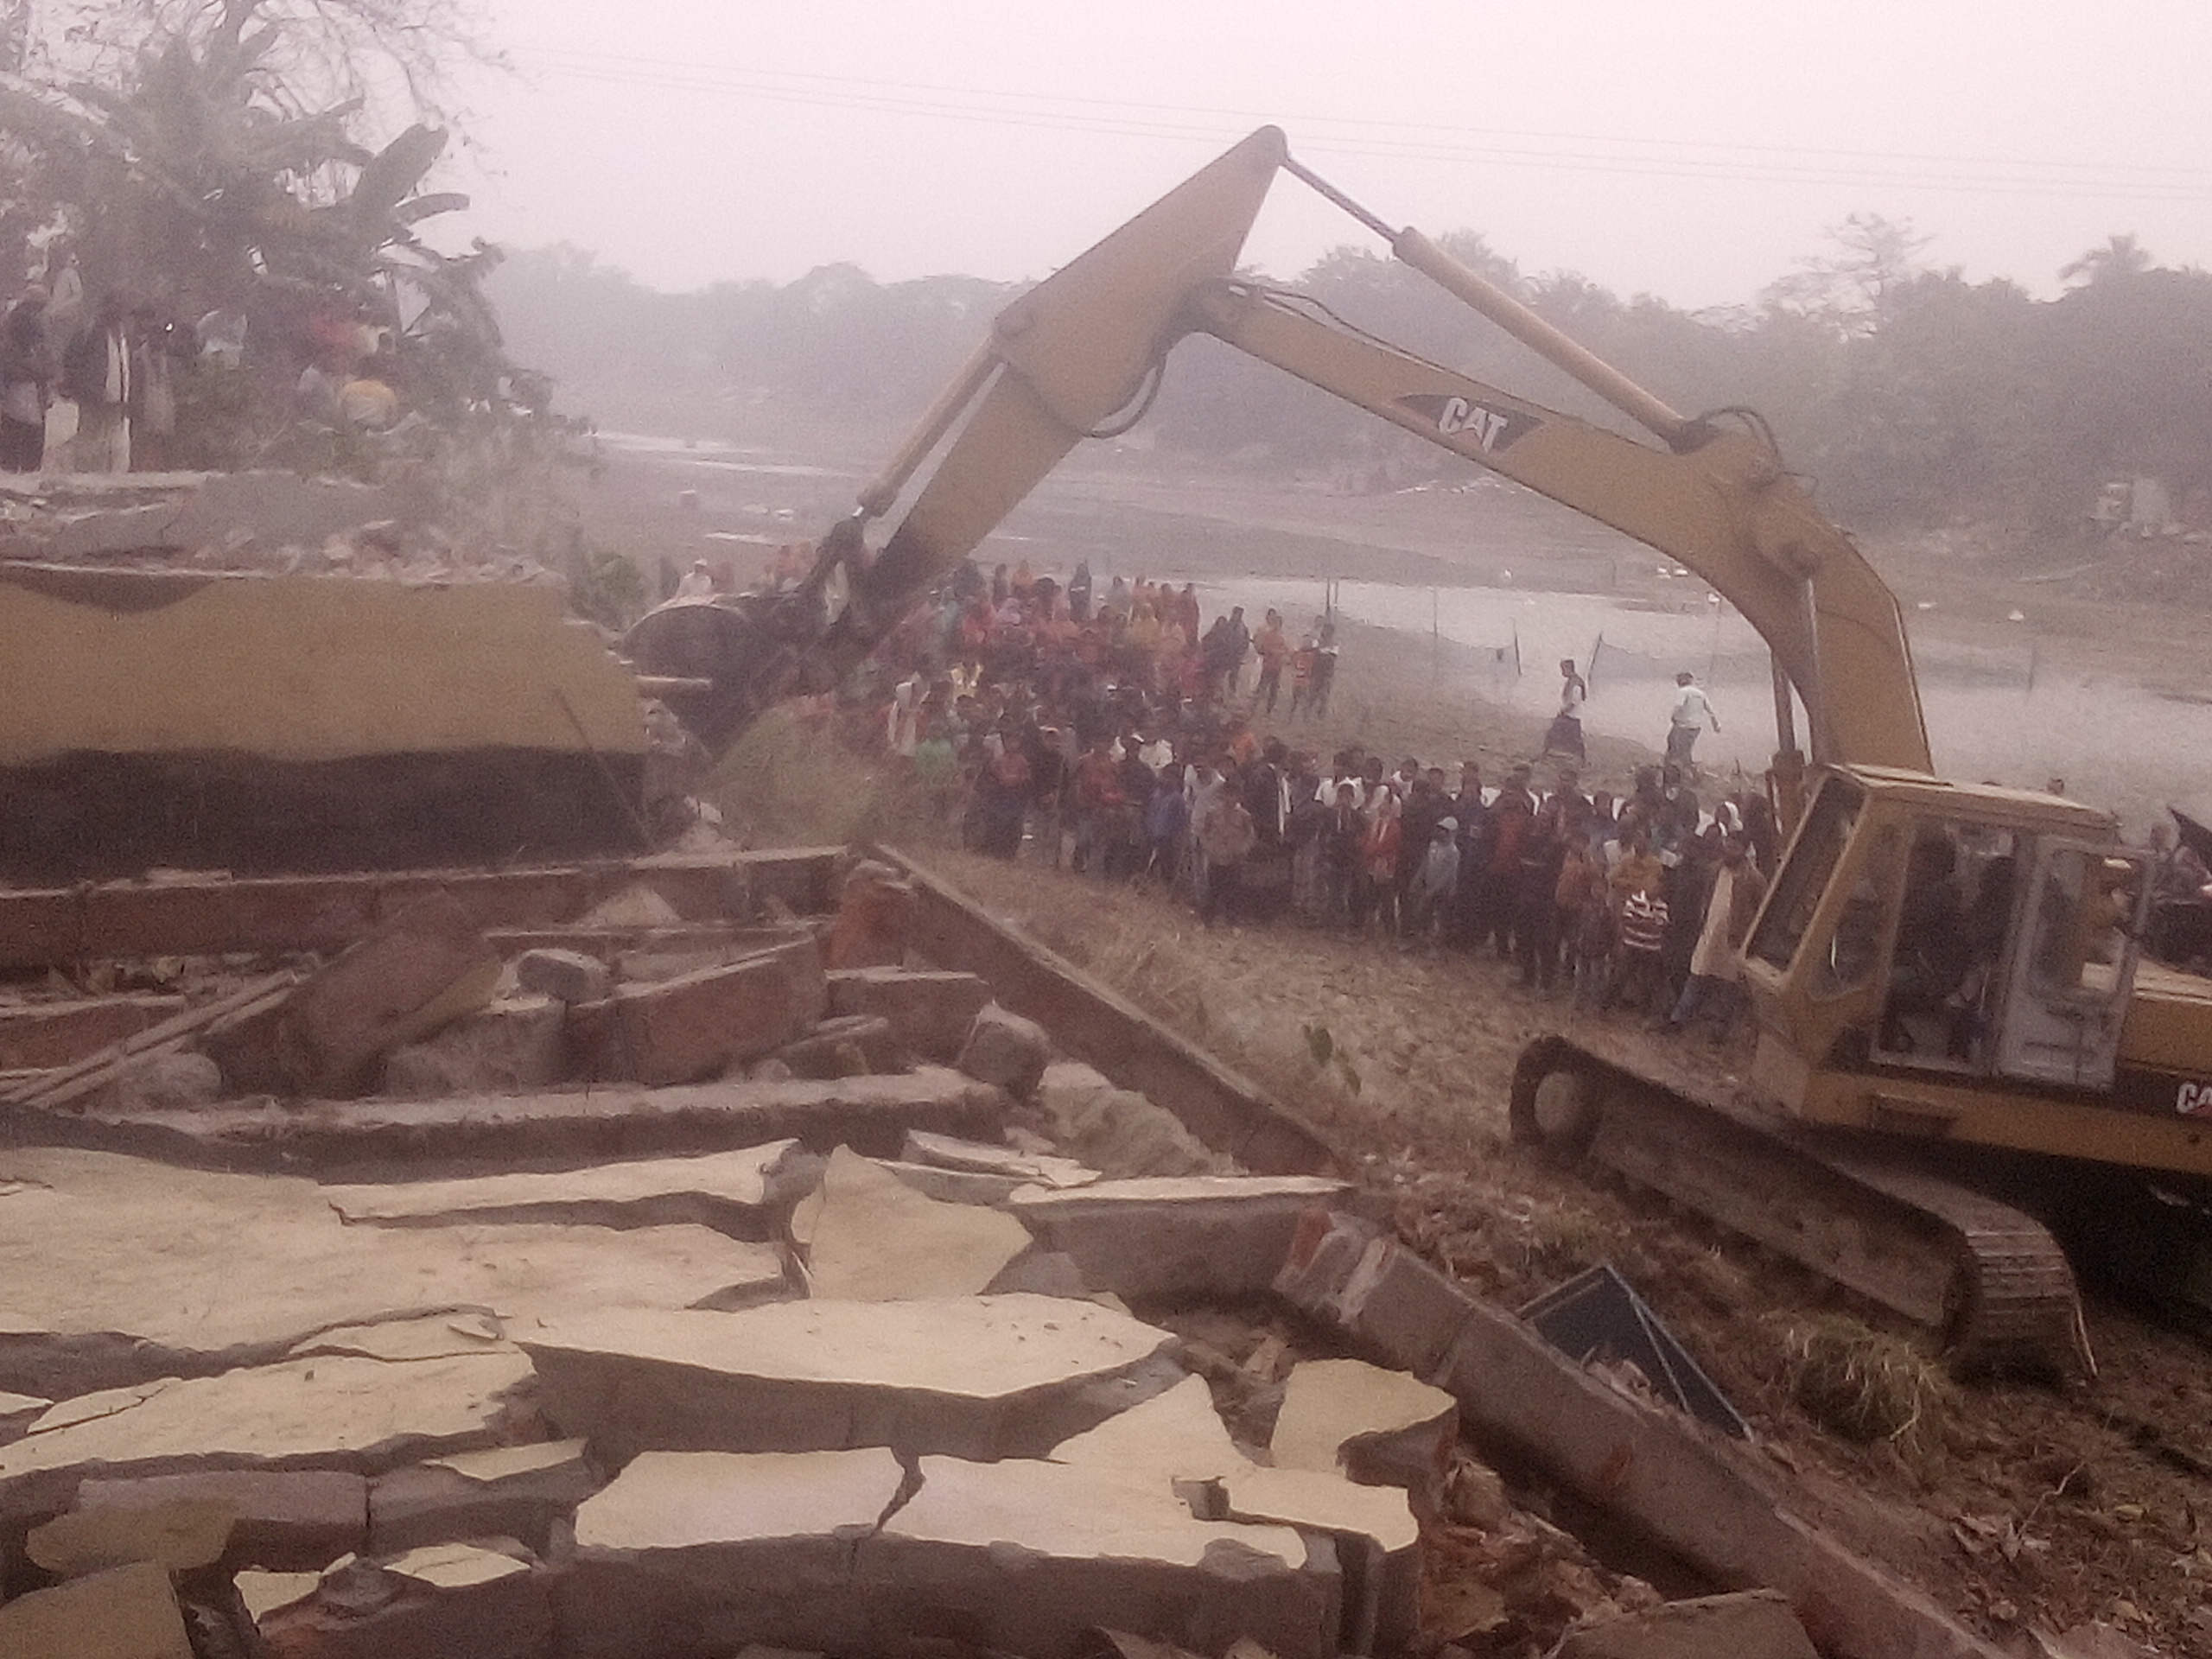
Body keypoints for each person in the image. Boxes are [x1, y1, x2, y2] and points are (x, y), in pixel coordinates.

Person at [1665, 835, 1767, 1037]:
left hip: (1734, 940)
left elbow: (1762, 910)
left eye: (1735, 848)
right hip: (1709, 933)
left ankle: (1719, 1031)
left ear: (1745, 850)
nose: (1729, 851)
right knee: (1696, 977)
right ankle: (1677, 1020)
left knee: (1728, 987)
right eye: (1727, 846)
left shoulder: (1754, 879)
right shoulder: (1714, 870)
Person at [60, 293, 131, 474]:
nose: (119, 311)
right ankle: (84, 478)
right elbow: (71, 359)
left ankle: (105, 480)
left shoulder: (122, 334)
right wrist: (79, 389)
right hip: (94, 397)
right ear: (106, 306)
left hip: (116, 400)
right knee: (88, 440)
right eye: (116, 306)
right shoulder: (90, 330)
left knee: (111, 444)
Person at [0, 284, 50, 472]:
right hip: (21, 388)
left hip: (22, 388)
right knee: (25, 431)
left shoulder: (13, 320)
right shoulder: (22, 322)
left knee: (15, 431)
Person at [1197, 788, 1257, 925]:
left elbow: (1250, 835)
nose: (1230, 798)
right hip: (1216, 858)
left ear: (1239, 797)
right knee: (1212, 890)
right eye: (1228, 794)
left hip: (1234, 859)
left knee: (1234, 892)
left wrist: (1243, 850)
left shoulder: (1244, 816)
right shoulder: (1213, 812)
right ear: (1223, 795)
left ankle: (1233, 922)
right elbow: (1205, 832)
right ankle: (1207, 922)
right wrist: (1209, 848)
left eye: (1234, 795)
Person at [1666, 671, 1719, 767]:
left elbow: (1678, 706)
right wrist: (1716, 725)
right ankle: (1688, 768)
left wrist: (1673, 717)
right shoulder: (1701, 694)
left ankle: (1671, 769)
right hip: (1695, 727)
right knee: (1687, 749)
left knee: (1673, 745)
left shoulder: (1683, 691)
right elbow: (1711, 711)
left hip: (1682, 726)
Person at [1545, 658, 1588, 762]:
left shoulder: (1576, 684)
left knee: (1570, 739)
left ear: (1569, 668)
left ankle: (1581, 760)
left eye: (1563, 669)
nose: (1562, 672)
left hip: (1572, 716)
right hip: (1570, 715)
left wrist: (1564, 711)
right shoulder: (1572, 681)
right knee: (1569, 739)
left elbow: (1574, 702)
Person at [1254, 610, 1291, 715]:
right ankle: (1253, 708)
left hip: (1277, 667)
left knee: (1273, 691)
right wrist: (1277, 652)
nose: (1277, 626)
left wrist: (1284, 654)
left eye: (1279, 624)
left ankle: (1269, 711)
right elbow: (1265, 648)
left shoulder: (1282, 637)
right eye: (1276, 623)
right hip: (1268, 666)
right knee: (1262, 688)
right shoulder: (1268, 635)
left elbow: (1286, 650)